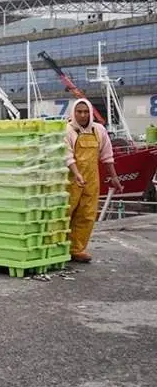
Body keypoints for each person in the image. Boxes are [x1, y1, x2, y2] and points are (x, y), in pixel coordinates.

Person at [64, 98, 123, 263]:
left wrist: (115, 178)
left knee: (87, 214)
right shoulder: (68, 130)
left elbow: (107, 156)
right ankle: (60, 246)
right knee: (66, 212)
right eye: (79, 112)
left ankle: (78, 249)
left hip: (92, 178)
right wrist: (76, 173)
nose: (83, 115)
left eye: (86, 112)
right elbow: (67, 156)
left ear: (91, 113)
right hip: (71, 178)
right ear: (73, 113)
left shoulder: (99, 130)